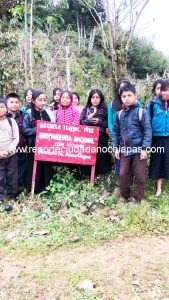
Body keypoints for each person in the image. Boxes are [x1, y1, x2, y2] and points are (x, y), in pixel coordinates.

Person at [112, 83, 152, 203]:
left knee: (139, 176)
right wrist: (116, 148)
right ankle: (124, 195)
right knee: (123, 174)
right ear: (121, 98)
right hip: (125, 150)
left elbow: (147, 131)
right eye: (124, 96)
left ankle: (136, 198)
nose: (127, 98)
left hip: (139, 150)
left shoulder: (141, 112)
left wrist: (145, 148)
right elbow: (115, 132)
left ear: (135, 96)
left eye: (129, 95)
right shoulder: (119, 114)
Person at [23, 90, 55, 194]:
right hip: (34, 146)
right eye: (40, 100)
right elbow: (25, 130)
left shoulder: (50, 113)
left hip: (47, 145)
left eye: (45, 100)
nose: (43, 102)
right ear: (33, 101)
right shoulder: (28, 114)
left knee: (46, 166)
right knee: (34, 167)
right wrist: (38, 129)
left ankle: (47, 188)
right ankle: (33, 189)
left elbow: (55, 128)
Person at [80, 89, 112, 175]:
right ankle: (88, 174)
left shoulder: (105, 110)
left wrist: (99, 122)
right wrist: (89, 119)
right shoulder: (86, 109)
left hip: (100, 137)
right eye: (93, 97)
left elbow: (109, 123)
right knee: (88, 155)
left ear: (101, 98)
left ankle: (102, 175)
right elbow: (81, 122)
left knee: (101, 156)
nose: (95, 99)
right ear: (90, 99)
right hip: (87, 137)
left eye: (97, 97)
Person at [148, 79, 169, 197]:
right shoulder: (153, 104)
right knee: (159, 161)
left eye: (167, 90)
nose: (165, 93)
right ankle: (159, 188)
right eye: (163, 90)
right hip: (157, 138)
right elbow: (147, 123)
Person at [108, 77, 131, 175]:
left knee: (131, 158)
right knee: (120, 158)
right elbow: (110, 121)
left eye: (125, 87)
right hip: (118, 136)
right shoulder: (112, 104)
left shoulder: (135, 103)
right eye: (120, 88)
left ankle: (130, 179)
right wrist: (115, 133)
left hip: (131, 136)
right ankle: (121, 180)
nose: (123, 89)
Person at [0, 97, 19, 206]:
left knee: (12, 176)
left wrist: (9, 150)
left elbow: (16, 138)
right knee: (0, 177)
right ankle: (0, 197)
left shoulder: (11, 121)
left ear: (6, 109)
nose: (0, 109)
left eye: (2, 107)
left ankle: (12, 196)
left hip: (11, 155)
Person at [6, 93, 27, 192]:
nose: (14, 104)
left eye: (16, 102)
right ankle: (8, 191)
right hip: (8, 149)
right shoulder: (3, 117)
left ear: (20, 104)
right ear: (6, 103)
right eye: (11, 102)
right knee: (10, 171)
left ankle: (20, 190)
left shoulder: (23, 116)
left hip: (22, 148)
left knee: (21, 169)